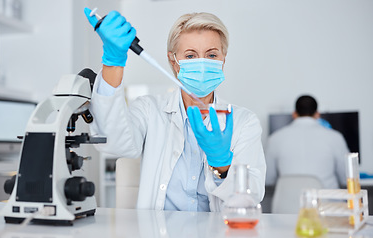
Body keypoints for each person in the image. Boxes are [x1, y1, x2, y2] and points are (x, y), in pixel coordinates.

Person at [84, 8, 266, 211]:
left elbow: (251, 197)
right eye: (190, 55)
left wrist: (222, 165)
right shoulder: (150, 109)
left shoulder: (243, 122)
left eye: (212, 54)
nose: (202, 63)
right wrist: (113, 62)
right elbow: (114, 143)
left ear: (223, 59)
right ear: (174, 61)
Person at [265, 95, 349, 189]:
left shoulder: (275, 138)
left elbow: (268, 179)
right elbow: (347, 178)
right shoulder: (335, 137)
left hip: (288, 202)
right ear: (317, 114)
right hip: (326, 202)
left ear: (294, 114)